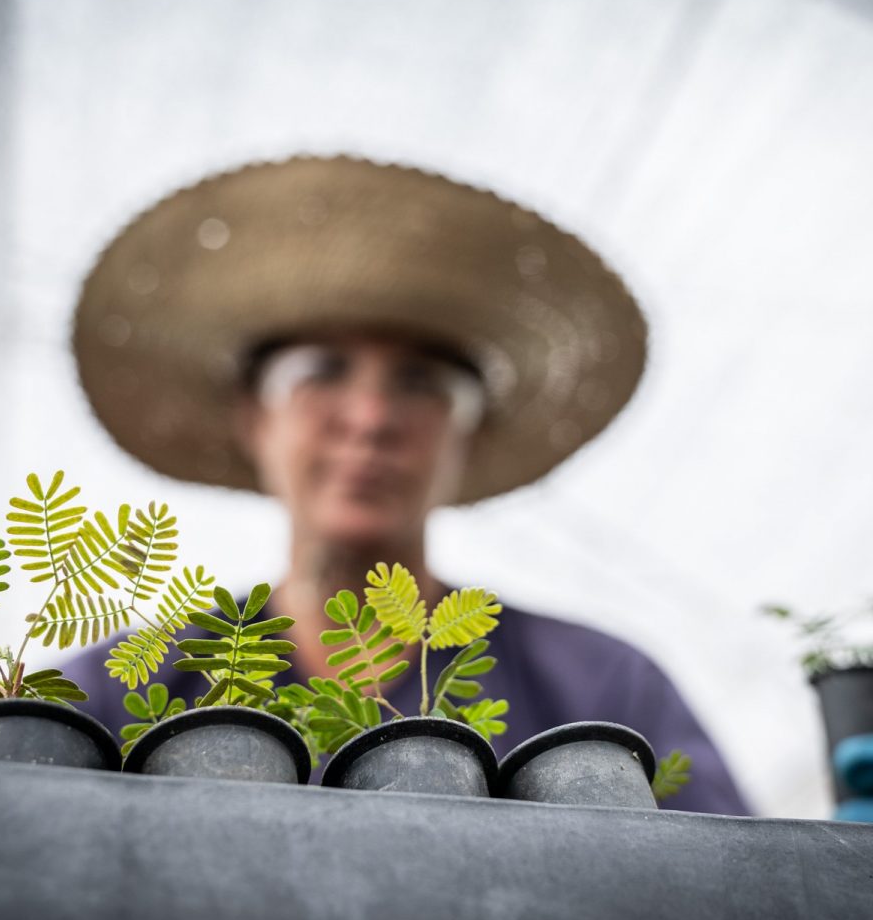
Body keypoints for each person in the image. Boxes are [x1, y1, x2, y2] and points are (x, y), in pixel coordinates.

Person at [66, 155, 750, 814]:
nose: (370, 420)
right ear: (253, 418)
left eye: (422, 383)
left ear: (469, 435)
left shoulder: (602, 691)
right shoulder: (114, 694)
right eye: (321, 370)